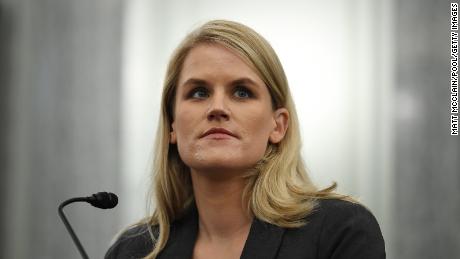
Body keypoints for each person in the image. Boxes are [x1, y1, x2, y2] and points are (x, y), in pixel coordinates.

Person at [105, 19, 385, 259]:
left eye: (241, 92)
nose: (217, 108)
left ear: (278, 126)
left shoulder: (339, 230)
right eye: (199, 92)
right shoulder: (132, 251)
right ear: (173, 126)